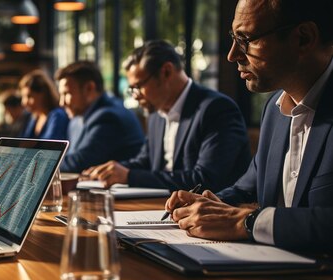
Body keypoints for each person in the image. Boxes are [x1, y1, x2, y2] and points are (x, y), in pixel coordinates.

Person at [166, 0, 333, 252]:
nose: (232, 54)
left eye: (246, 39)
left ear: (303, 38)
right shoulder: (274, 109)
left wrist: (245, 222)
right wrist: (212, 203)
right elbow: (246, 188)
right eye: (234, 38)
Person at [82, 40, 251, 192]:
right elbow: (145, 162)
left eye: (138, 86)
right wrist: (108, 171)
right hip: (159, 208)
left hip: (209, 215)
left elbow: (205, 179)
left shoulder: (216, 109)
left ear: (166, 72)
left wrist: (129, 176)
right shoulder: (156, 114)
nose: (134, 95)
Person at [55, 61, 145, 173]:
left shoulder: (108, 117)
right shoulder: (80, 118)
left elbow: (79, 163)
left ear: (89, 88)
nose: (61, 103)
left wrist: (43, 165)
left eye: (67, 94)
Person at [19, 70, 69, 140]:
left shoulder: (57, 115)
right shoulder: (34, 117)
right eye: (23, 97)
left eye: (29, 96)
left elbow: (49, 147)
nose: (24, 102)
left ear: (43, 94)